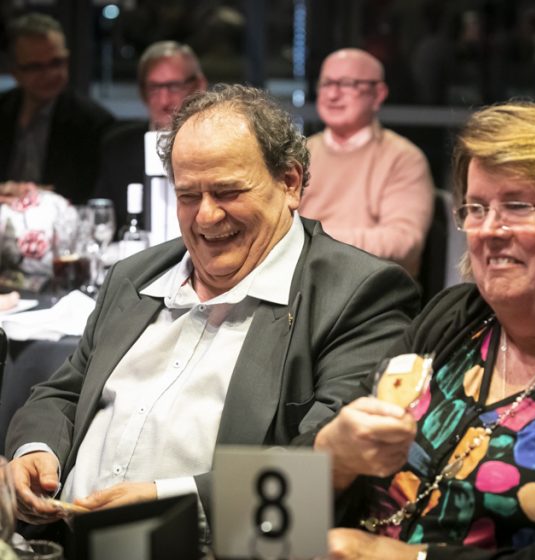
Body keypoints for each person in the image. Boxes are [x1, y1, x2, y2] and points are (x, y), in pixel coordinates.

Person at [5, 84, 419, 542]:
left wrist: (170, 507)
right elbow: (64, 393)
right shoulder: (134, 276)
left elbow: (329, 470)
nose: (205, 216)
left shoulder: (356, 295)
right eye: (188, 196)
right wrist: (36, 451)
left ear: (290, 182)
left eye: (227, 192)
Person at [315, 101, 535, 560]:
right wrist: (332, 458)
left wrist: (403, 558)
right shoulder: (454, 318)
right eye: (476, 208)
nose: (489, 230)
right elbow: (278, 509)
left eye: (517, 206)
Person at [298, 48, 434, 277]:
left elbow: (403, 242)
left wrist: (310, 240)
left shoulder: (403, 158)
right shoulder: (299, 154)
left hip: (370, 288)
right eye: (326, 83)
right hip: (300, 283)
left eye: (347, 84)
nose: (333, 94)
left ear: (378, 94)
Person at [0, 13, 115, 204]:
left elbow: (87, 196)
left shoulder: (93, 123)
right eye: (35, 67)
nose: (50, 74)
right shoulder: (3, 109)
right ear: (15, 71)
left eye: (56, 62)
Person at [94, 41, 207, 232]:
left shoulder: (219, 146)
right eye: (154, 88)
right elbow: (102, 222)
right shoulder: (118, 147)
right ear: (142, 93)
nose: (164, 101)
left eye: (174, 87)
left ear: (199, 86)